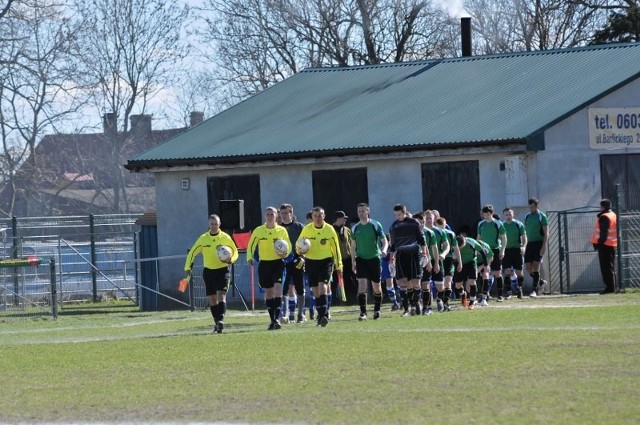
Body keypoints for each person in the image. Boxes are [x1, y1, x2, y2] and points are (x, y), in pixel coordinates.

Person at [184, 214, 239, 334]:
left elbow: (235, 252)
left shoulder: (225, 237)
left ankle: (221, 321)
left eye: (216, 224)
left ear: (219, 224)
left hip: (223, 270)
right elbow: (192, 252)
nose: (214, 226)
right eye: (212, 224)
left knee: (221, 295)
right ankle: (217, 324)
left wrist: (231, 260)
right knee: (212, 299)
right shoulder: (203, 238)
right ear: (209, 224)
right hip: (209, 272)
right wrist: (187, 266)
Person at [247, 207, 292, 330]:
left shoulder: (281, 230)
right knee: (268, 292)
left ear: (276, 216)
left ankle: (277, 319)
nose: (269, 216)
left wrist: (285, 253)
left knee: (277, 289)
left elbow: (288, 246)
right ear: (264, 216)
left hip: (278, 263)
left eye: (272, 214)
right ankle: (273, 320)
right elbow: (251, 245)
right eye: (267, 214)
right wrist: (249, 257)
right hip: (264, 264)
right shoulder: (259, 231)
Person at [298, 206, 343, 327]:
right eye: (315, 216)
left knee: (323, 287)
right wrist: (299, 251)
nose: (318, 218)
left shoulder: (329, 230)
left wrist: (339, 265)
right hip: (311, 262)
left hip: (326, 262)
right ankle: (322, 314)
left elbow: (336, 248)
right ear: (312, 217)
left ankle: (323, 316)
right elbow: (299, 244)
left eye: (320, 215)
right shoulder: (307, 229)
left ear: (324, 216)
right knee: (316, 291)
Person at [389, 204, 429, 317]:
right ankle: (406, 310)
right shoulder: (394, 226)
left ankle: (416, 303)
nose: (398, 217)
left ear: (405, 212)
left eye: (399, 214)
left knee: (415, 282)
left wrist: (424, 254)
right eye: (396, 215)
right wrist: (391, 260)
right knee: (403, 282)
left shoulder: (414, 223)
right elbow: (392, 245)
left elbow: (421, 240)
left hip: (413, 254)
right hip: (401, 255)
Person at [350, 203, 388, 320]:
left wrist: (384, 250)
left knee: (376, 286)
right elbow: (352, 246)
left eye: (363, 211)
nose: (361, 213)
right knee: (361, 284)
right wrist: (353, 262)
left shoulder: (375, 225)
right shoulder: (355, 227)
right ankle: (363, 313)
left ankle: (377, 310)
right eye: (359, 211)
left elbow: (384, 240)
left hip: (374, 258)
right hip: (361, 258)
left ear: (368, 212)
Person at [279, 203, 306, 323]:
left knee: (299, 287)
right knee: (284, 288)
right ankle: (285, 315)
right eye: (282, 213)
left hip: (297, 260)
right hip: (283, 261)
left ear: (291, 213)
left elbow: (306, 243)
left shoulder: (299, 227)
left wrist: (303, 257)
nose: (285, 215)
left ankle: (300, 314)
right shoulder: (278, 228)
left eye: (287, 212)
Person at [477, 205, 507, 302]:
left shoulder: (498, 224)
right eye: (484, 214)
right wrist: (478, 249)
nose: (486, 216)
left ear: (492, 213)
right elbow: (478, 238)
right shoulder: (480, 224)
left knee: (497, 273)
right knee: (484, 273)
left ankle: (500, 295)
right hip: (484, 250)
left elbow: (504, 238)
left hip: (495, 250)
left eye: (488, 214)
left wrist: (502, 250)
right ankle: (484, 294)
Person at [414, 211, 440, 316]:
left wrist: (435, 263)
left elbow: (434, 249)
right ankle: (415, 306)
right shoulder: (411, 232)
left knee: (425, 284)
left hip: (425, 261)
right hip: (413, 261)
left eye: (423, 221)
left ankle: (427, 307)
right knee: (414, 285)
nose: (422, 223)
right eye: (419, 222)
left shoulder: (430, 232)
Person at [454, 234, 488, 310]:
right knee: (457, 285)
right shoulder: (454, 244)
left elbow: (482, 252)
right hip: (460, 264)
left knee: (472, 282)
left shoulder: (472, 242)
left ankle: (472, 301)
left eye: (461, 246)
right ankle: (463, 294)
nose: (460, 248)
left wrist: (486, 265)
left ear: (464, 242)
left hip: (471, 263)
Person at [591, 198, 618, 294]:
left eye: (600, 206)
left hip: (605, 245)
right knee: (610, 267)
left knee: (606, 268)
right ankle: (612, 287)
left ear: (603, 206)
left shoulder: (605, 216)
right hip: (612, 244)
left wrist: (599, 244)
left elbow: (603, 232)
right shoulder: (613, 215)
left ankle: (610, 288)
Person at [425, 211, 450, 312]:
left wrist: (443, 254)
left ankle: (439, 299)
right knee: (426, 285)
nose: (429, 220)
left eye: (430, 218)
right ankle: (428, 307)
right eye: (427, 218)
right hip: (425, 261)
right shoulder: (421, 231)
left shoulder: (440, 231)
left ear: (434, 219)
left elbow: (447, 245)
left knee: (440, 286)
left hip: (437, 260)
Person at [524, 198, 549, 297]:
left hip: (538, 243)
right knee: (528, 267)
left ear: (537, 206)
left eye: (533, 207)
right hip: (529, 244)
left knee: (536, 266)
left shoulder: (541, 216)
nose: (531, 209)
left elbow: (546, 233)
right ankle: (541, 282)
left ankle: (534, 290)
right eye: (530, 207)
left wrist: (543, 247)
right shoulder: (527, 216)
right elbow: (526, 232)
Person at [435, 217, 461, 311]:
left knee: (448, 281)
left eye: (444, 227)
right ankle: (440, 300)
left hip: (448, 259)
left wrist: (460, 262)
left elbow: (456, 248)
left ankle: (445, 303)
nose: (442, 229)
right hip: (438, 259)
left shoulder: (450, 234)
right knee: (441, 283)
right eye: (440, 227)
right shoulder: (434, 232)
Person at [502, 207, 527, 299]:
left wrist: (523, 247)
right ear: (504, 215)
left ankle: (519, 289)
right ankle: (509, 292)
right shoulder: (502, 225)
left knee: (519, 272)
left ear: (513, 214)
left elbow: (524, 237)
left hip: (517, 250)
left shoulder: (518, 224)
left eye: (510, 214)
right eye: (506, 214)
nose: (508, 216)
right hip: (506, 250)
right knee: (507, 271)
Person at [333, 211, 355, 305]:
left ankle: (350, 301)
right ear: (338, 219)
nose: (345, 220)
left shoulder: (347, 230)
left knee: (349, 280)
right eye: (343, 218)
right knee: (333, 281)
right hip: (334, 260)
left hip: (347, 259)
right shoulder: (330, 229)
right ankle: (334, 301)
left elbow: (352, 243)